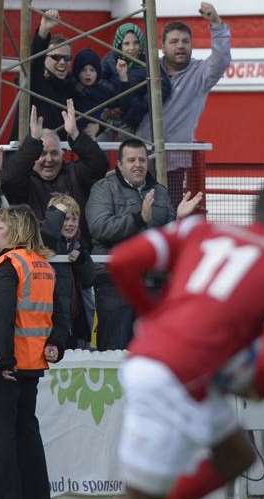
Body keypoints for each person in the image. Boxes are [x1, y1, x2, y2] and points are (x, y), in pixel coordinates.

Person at [29, 182, 264, 499]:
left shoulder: (202, 230)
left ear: (255, 209)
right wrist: (251, 384)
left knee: (236, 454)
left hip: (158, 360)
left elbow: (126, 260)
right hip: (174, 376)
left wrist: (151, 311)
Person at [0, 205, 63, 499]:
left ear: (13, 231)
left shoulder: (7, 266)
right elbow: (58, 316)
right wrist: (56, 344)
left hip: (1, 366)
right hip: (30, 365)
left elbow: (1, 317)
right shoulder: (42, 266)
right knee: (26, 434)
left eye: (0, 227)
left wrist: (2, 361)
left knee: (0, 436)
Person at [86, 138, 202, 350]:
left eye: (141, 159)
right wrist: (139, 218)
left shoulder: (160, 192)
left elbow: (168, 240)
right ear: (119, 165)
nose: (137, 164)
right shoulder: (102, 189)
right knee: (114, 349)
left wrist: (179, 220)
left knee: (153, 349)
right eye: (131, 160)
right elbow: (99, 228)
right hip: (114, 283)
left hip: (153, 284)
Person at [137, 2, 231, 205]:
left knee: (169, 217)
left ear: (191, 45)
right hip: (138, 158)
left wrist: (216, 23)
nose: (180, 45)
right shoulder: (147, 70)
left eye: (185, 41)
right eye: (174, 41)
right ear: (162, 46)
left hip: (174, 163)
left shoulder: (201, 74)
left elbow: (222, 59)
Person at [1, 103, 109, 248]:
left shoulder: (74, 173)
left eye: (54, 153)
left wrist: (75, 135)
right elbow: (9, 178)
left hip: (77, 255)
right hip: (37, 255)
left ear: (63, 154)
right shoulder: (25, 181)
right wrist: (32, 142)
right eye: (42, 154)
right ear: (33, 155)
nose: (49, 159)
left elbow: (99, 164)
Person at [41, 195, 96, 350]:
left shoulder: (79, 245)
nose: (71, 224)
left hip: (77, 324)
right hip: (52, 325)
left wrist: (82, 261)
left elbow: (89, 279)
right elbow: (47, 235)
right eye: (65, 219)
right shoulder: (46, 244)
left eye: (74, 219)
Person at [13, 9, 75, 141]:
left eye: (67, 58)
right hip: (30, 155)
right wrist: (43, 31)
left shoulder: (72, 87)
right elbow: (33, 65)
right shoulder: (36, 83)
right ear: (44, 59)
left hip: (58, 155)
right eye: (56, 57)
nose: (62, 62)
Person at [72, 48, 125, 139]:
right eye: (83, 70)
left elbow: (120, 105)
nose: (88, 73)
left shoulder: (103, 91)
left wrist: (124, 79)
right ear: (77, 72)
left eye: (92, 70)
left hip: (98, 133)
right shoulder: (71, 89)